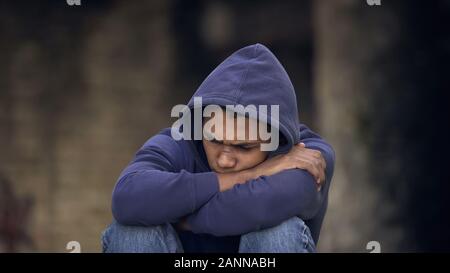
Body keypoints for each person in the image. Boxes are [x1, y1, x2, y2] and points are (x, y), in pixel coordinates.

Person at [101, 43, 335, 253]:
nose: (224, 161)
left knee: (278, 231)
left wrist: (183, 218)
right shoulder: (179, 141)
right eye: (214, 140)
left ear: (278, 141)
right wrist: (253, 174)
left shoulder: (307, 155)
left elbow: (264, 204)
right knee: (132, 232)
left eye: (244, 147)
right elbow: (127, 197)